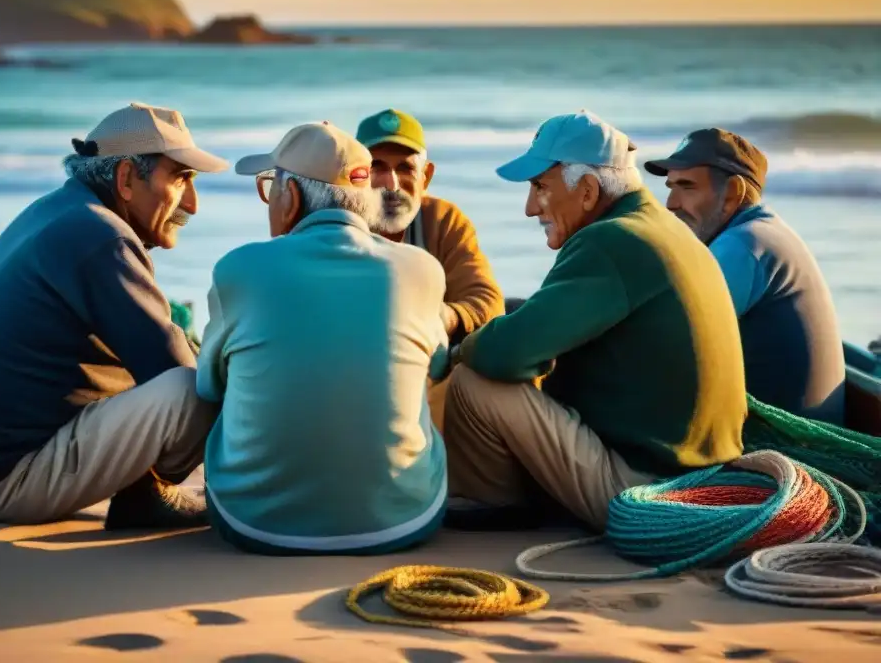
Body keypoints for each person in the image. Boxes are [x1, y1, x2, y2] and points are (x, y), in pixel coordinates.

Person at [437, 110, 748, 531]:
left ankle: (493, 504)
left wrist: (456, 350)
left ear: (586, 190)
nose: (530, 208)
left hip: (647, 491)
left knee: (475, 380)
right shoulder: (660, 228)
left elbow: (501, 355)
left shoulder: (610, 240)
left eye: (540, 187)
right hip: (699, 475)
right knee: (515, 315)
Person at [0, 102, 227, 529]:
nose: (192, 204)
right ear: (126, 178)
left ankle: (147, 488)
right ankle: (149, 498)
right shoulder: (102, 237)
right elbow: (179, 374)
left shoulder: (58, 211)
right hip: (6, 484)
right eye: (180, 179)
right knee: (192, 389)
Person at [194, 121, 449, 555]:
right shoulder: (421, 268)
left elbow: (207, 386)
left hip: (254, 525)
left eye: (270, 185)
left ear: (290, 197)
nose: (269, 198)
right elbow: (439, 367)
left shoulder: (239, 268)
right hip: (401, 524)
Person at [644, 128, 845, 424]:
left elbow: (665, 346)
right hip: (795, 429)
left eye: (687, 187)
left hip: (788, 444)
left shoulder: (743, 246)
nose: (671, 204)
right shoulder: (762, 232)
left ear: (733, 194)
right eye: (670, 186)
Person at [356, 108, 504, 431]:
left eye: (405, 168)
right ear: (356, 175)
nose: (391, 183)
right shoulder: (340, 225)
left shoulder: (442, 220)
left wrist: (439, 317)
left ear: (427, 176)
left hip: (429, 376)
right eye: (376, 167)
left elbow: (488, 302)